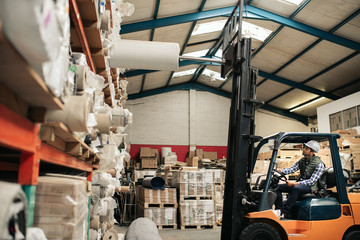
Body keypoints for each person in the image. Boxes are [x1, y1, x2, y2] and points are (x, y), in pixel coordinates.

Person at [274, 140, 325, 218]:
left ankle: (284, 212)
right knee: (277, 187)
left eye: (306, 148)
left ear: (312, 152)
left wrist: (294, 183)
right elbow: (292, 169)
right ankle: (279, 210)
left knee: (296, 188)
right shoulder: (302, 160)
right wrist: (281, 171)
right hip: (300, 184)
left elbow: (311, 181)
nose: (303, 149)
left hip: (310, 187)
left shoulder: (319, 164)